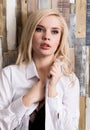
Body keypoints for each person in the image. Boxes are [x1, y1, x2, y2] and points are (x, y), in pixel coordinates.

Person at [0, 9, 80, 130]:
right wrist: (27, 99)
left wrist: (52, 92)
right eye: (39, 29)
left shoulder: (69, 81)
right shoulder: (9, 75)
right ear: (30, 34)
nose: (46, 37)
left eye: (54, 32)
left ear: (60, 39)